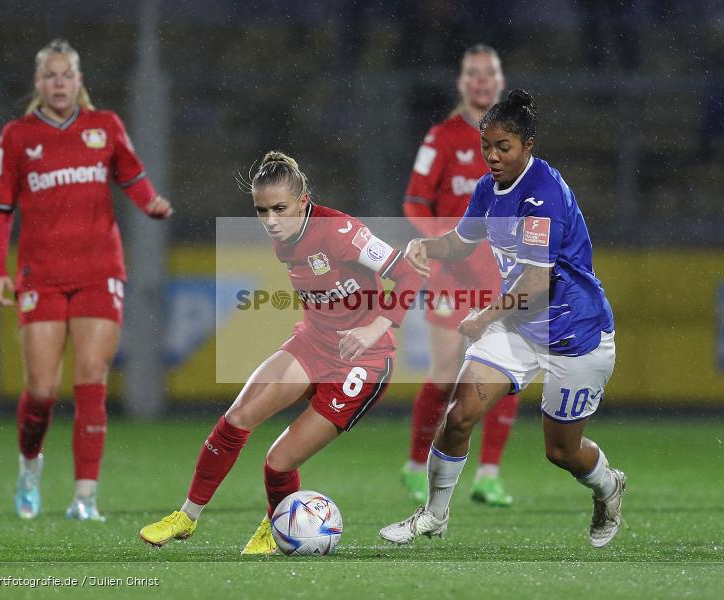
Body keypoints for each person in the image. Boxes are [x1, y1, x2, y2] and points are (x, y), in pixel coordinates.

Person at [139, 151, 423, 554]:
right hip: (314, 343)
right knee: (237, 418)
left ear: (304, 200)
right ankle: (186, 516)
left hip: (363, 362)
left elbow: (409, 271)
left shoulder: (340, 232)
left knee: (278, 462)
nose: (271, 220)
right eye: (261, 211)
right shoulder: (284, 239)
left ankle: (276, 529)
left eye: (280, 209)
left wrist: (377, 325)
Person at [380, 90, 626, 549]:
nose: (492, 156)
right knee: (459, 416)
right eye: (486, 146)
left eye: (503, 147)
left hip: (575, 336)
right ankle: (434, 516)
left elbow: (537, 283)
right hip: (518, 329)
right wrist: (426, 246)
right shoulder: (487, 188)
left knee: (562, 451)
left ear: (528, 145)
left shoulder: (543, 196)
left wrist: (482, 317)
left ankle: (609, 487)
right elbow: (461, 242)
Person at [0, 39, 174, 521]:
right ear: (37, 83)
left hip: (99, 271)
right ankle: (30, 466)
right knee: (42, 391)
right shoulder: (16, 136)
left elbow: (132, 175)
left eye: (65, 75)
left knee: (92, 379)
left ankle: (85, 497)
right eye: (49, 75)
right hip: (41, 276)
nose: (58, 83)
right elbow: (0, 209)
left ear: (79, 81)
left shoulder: (104, 127)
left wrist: (149, 201)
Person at [401, 44, 520, 508]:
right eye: (473, 74)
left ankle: (488, 475)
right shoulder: (442, 138)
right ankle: (414, 465)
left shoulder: (515, 140)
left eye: (488, 73)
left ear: (501, 80)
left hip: (504, 274)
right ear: (462, 82)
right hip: (453, 275)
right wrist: (443, 243)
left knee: (506, 370)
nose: (481, 81)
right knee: (448, 370)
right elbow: (415, 201)